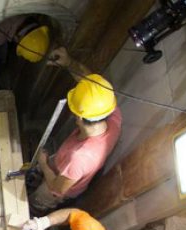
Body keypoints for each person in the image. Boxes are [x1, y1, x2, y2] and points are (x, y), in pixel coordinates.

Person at [29, 47, 122, 214]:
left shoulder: (80, 157)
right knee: (40, 171)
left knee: (39, 199)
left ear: (78, 118)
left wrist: (43, 164)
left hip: (57, 187)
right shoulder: (112, 116)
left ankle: (33, 209)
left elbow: (57, 188)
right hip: (62, 164)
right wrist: (69, 63)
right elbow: (91, 87)